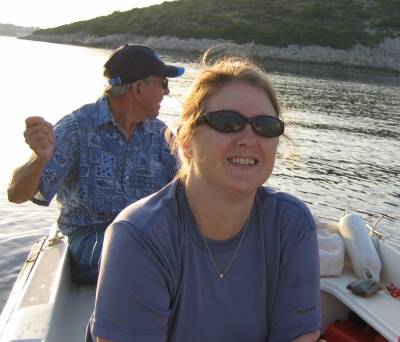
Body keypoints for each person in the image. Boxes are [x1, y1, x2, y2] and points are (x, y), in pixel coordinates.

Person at [87, 50, 321, 341]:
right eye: (227, 122)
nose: (249, 139)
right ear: (186, 141)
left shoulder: (291, 223)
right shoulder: (139, 236)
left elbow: (299, 337)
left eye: (265, 126)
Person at [7, 44, 185, 285]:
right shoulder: (76, 129)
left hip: (146, 236)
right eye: (163, 83)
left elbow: (188, 193)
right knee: (140, 255)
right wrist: (40, 159)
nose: (167, 92)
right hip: (91, 238)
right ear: (139, 88)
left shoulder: (162, 135)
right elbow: (16, 194)